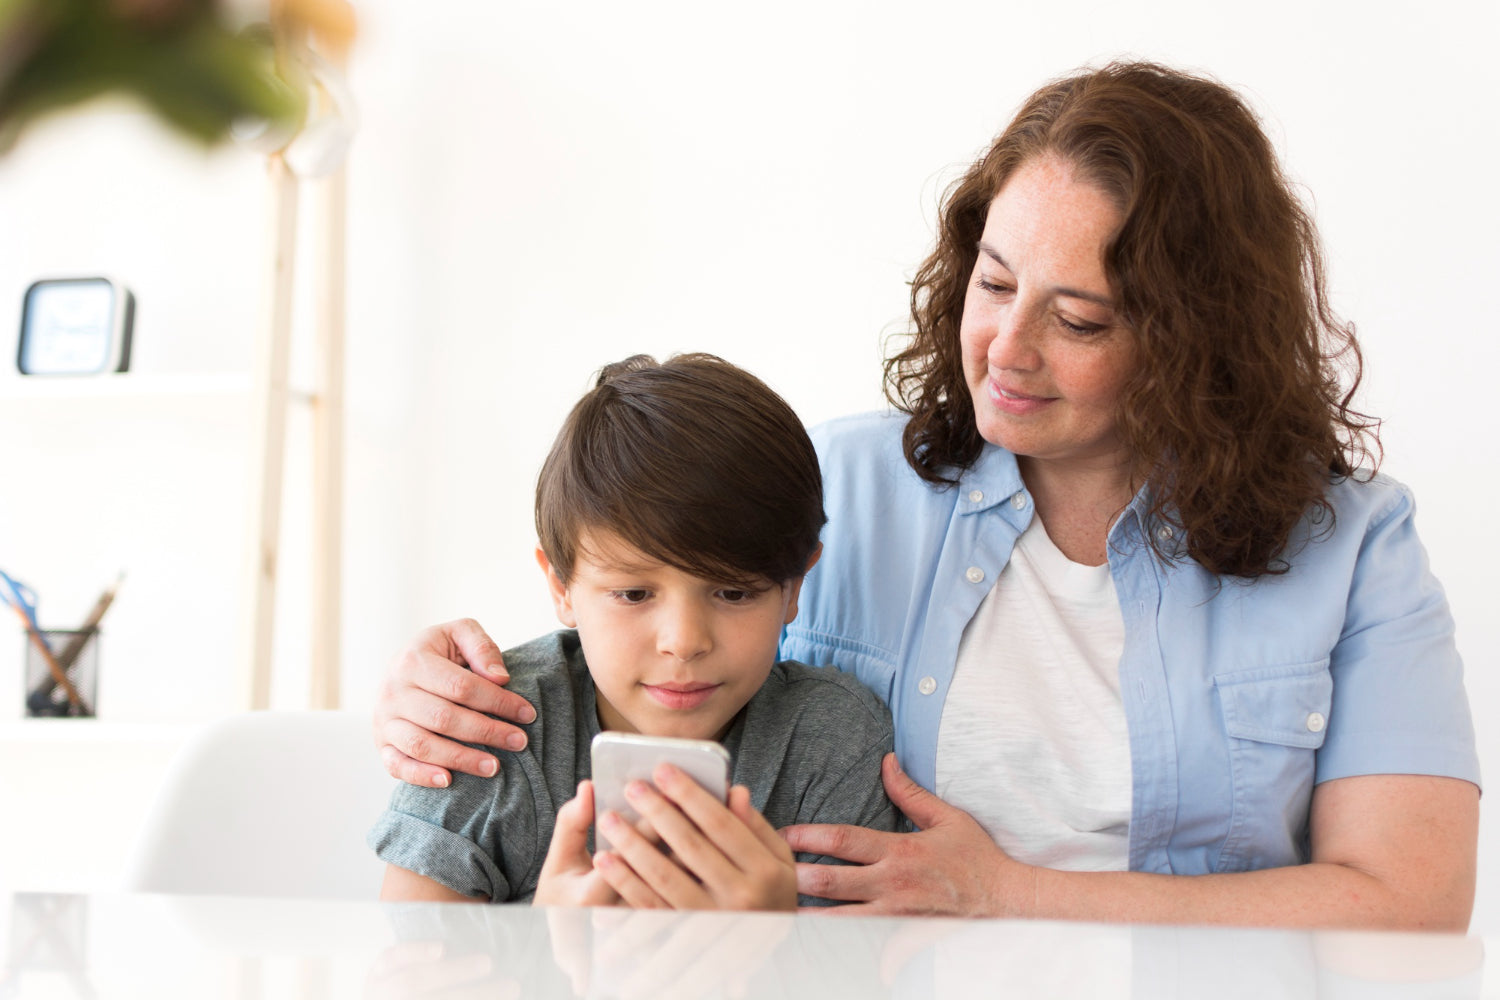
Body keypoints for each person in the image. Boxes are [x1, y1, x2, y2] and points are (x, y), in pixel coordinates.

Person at [370, 61, 1481, 929]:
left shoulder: (1351, 548)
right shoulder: (842, 483)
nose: (1006, 347)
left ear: (1197, 342)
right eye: (994, 283)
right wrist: (439, 689)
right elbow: (620, 607)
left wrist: (1012, 892)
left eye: (1079, 319)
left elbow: (1411, 902)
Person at [369, 353, 899, 908]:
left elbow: (864, 956)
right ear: (561, 586)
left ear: (792, 589)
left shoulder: (831, 740)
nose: (684, 642)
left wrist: (774, 939)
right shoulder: (488, 729)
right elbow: (407, 953)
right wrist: (548, 946)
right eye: (633, 594)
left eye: (734, 593)